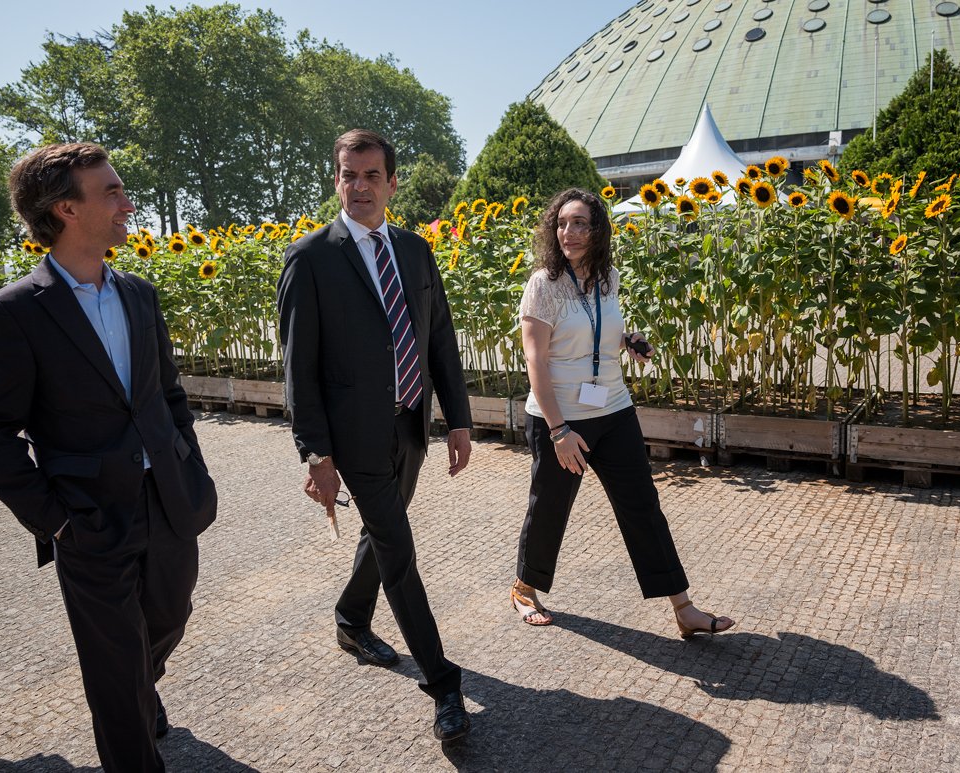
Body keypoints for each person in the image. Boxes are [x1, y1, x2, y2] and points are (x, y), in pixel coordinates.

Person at [0, 142, 218, 772]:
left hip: (168, 500)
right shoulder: (14, 312)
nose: (128, 203)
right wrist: (55, 520)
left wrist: (190, 467)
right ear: (66, 209)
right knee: (114, 669)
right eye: (112, 192)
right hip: (88, 516)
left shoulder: (140, 294)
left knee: (169, 618)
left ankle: (138, 690)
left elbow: (168, 394)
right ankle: (130, 717)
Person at [276, 128, 473, 742]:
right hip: (353, 438)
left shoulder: (415, 250)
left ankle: (350, 616)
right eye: (348, 175)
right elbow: (298, 369)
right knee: (398, 550)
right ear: (335, 179)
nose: (359, 186)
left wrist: (458, 419)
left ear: (391, 183)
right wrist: (316, 454)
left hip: (410, 425)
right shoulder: (310, 258)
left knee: (382, 533)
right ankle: (443, 684)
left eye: (371, 176)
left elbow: (438, 337)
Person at [511, 188, 736, 638]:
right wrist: (558, 431)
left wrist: (627, 340)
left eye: (580, 223)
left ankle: (683, 608)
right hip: (561, 419)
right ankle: (524, 588)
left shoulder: (608, 277)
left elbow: (597, 329)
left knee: (642, 506)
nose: (569, 232)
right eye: (562, 223)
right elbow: (535, 360)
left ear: (598, 230)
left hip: (613, 408)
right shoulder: (543, 285)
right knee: (550, 506)